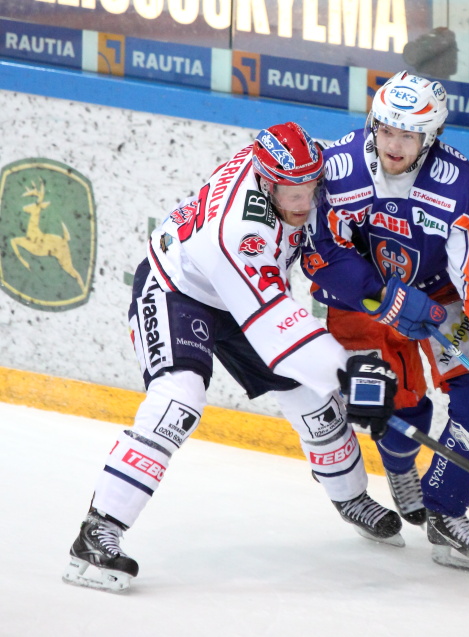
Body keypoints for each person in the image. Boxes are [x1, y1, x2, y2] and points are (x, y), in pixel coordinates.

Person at [63, 122, 403, 593]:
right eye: (291, 193)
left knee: (310, 398)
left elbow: (357, 156)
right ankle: (98, 531)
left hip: (244, 296)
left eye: (311, 188)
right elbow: (274, 323)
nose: (304, 203)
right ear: (266, 182)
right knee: (177, 402)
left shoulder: (295, 170)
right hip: (179, 289)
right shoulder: (237, 230)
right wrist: (349, 372)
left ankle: (351, 498)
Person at [300, 71, 469, 574]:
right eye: (385, 129)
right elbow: (322, 251)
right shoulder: (339, 168)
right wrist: (378, 295)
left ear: (430, 137)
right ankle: (399, 465)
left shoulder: (464, 186)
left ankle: (446, 513)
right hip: (364, 297)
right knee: (398, 403)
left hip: (437, 298)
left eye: (408, 135)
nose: (393, 144)